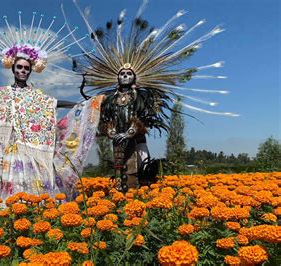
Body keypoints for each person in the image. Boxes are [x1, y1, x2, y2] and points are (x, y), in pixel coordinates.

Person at [67, 2, 235, 191]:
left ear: (135, 78)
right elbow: (103, 114)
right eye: (122, 74)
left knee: (135, 169)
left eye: (128, 74)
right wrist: (111, 130)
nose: (124, 76)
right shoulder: (111, 98)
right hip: (117, 140)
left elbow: (146, 115)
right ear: (116, 79)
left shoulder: (141, 97)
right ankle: (120, 195)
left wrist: (131, 131)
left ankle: (134, 195)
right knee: (118, 169)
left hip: (134, 139)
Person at [0, 12, 103, 201]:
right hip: (2, 150)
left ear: (30, 71)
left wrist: (81, 104)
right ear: (12, 68)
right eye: (19, 67)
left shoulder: (36, 96)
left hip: (29, 149)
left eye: (26, 68)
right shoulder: (1, 93)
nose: (23, 71)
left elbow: (54, 102)